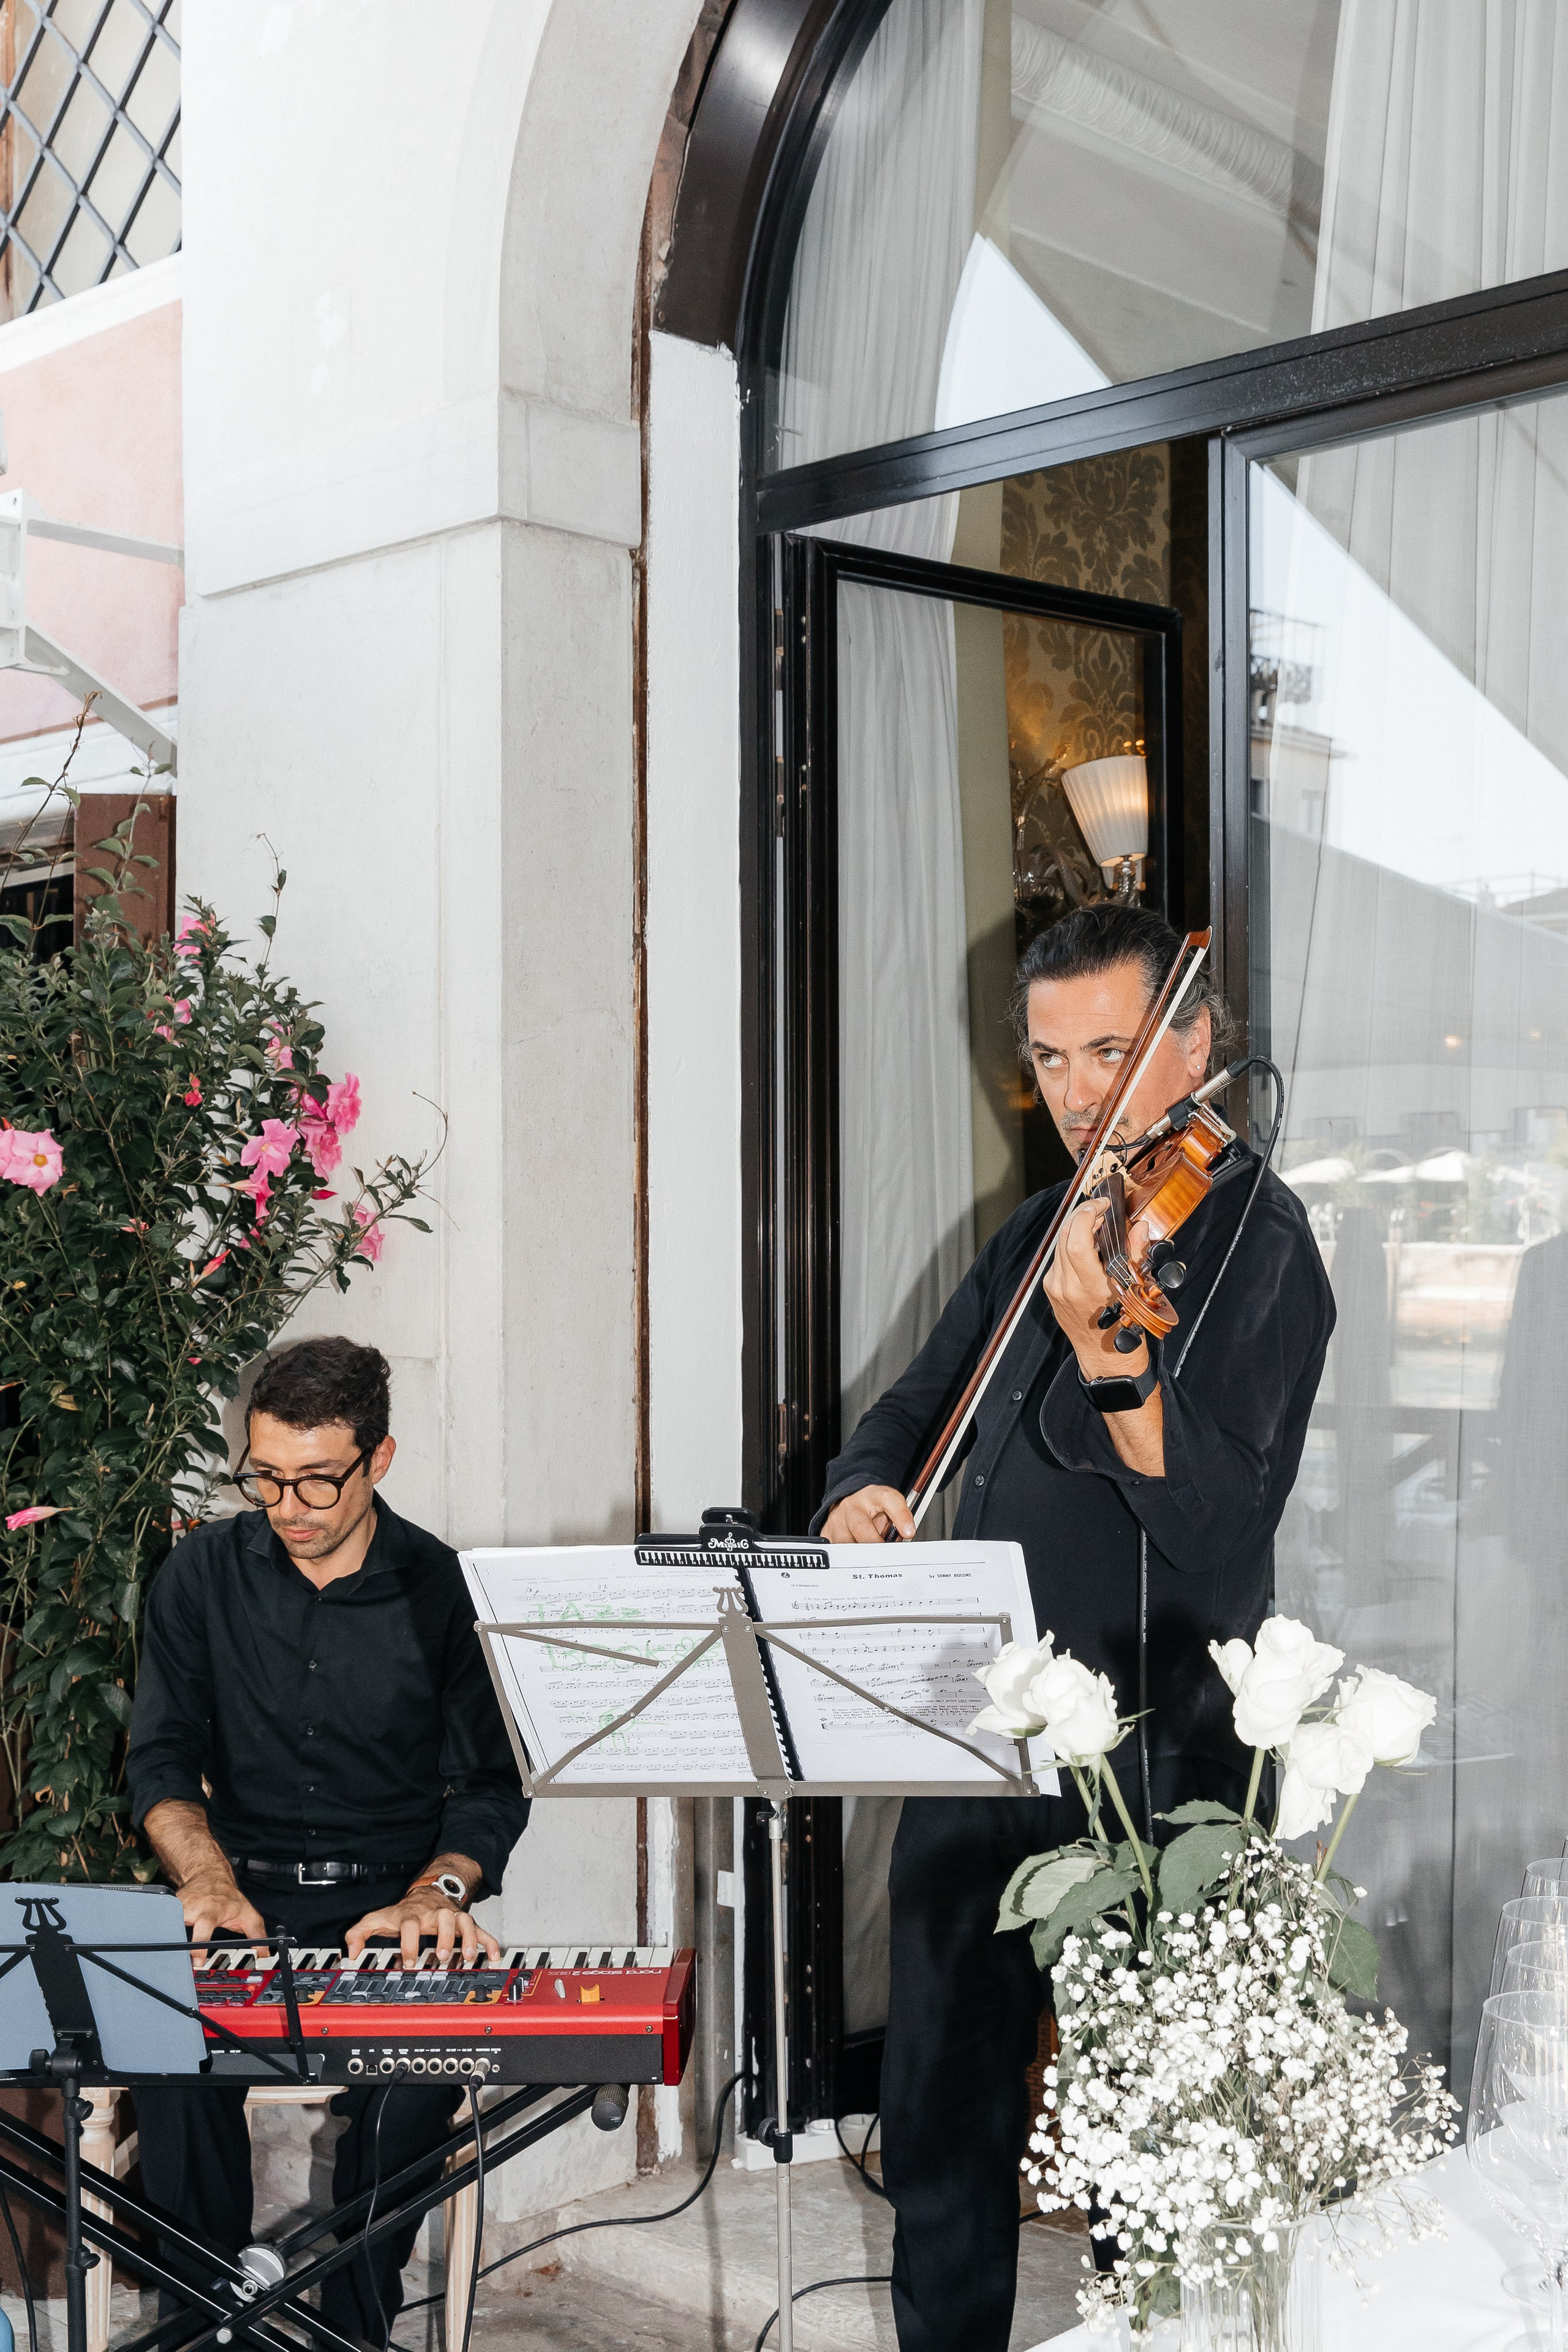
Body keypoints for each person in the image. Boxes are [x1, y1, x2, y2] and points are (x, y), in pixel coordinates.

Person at [813, 906, 1334, 2352]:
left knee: (1140, 2151)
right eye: (1048, 1060)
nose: (1078, 1094)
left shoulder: (1258, 1243)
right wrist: (862, 1491)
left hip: (1153, 1760)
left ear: (1192, 1040)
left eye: (1110, 1050)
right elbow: (907, 1410)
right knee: (937, 2118)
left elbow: (1218, 1527)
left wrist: (1116, 1365)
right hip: (983, 1730)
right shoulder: (1036, 1233)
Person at [127, 1336, 528, 2344]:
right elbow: (161, 1761)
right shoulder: (200, 1575)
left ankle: (356, 2330)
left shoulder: (447, 1592)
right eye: (265, 1476)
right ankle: (210, 2324)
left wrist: (438, 1892)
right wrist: (205, 1877)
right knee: (166, 2062)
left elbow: (489, 1789)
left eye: (316, 1480)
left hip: (394, 1901)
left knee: (410, 2090)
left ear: (378, 1459)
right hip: (241, 1890)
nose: (288, 1506)